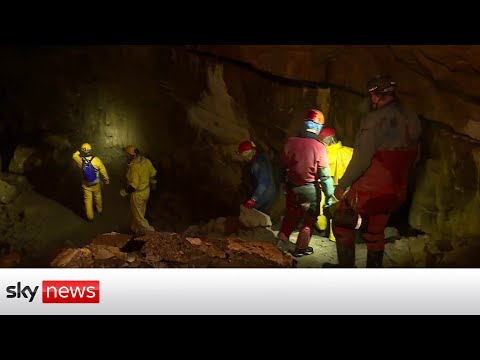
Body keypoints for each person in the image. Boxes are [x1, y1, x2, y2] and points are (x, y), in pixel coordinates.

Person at [330, 75, 421, 267]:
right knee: (375, 232)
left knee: (341, 223)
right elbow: (415, 157)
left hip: (371, 190)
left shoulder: (375, 120)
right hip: (397, 191)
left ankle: (345, 271)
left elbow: (361, 159)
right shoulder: (412, 117)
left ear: (375, 96)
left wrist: (342, 184)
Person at [276, 109, 334, 257]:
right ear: (318, 127)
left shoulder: (291, 142)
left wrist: (284, 182)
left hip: (293, 188)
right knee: (308, 221)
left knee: (290, 217)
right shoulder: (319, 147)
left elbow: (282, 165)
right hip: (310, 191)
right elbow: (325, 176)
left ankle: (279, 245)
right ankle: (301, 249)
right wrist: (329, 197)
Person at [316, 127, 353, 241]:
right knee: (340, 212)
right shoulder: (350, 152)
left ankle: (321, 223)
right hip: (347, 190)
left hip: (328, 191)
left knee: (321, 208)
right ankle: (334, 235)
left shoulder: (323, 156)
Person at [120, 145, 158, 235]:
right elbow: (153, 174)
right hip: (146, 191)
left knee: (139, 217)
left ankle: (152, 234)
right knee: (139, 212)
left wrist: (123, 192)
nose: (126, 157)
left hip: (138, 195)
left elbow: (133, 186)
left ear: (131, 155)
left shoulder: (135, 167)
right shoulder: (146, 161)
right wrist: (153, 184)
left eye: (126, 155)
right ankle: (136, 229)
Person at [72, 143, 110, 222]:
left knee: (88, 200)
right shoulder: (96, 160)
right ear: (90, 150)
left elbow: (74, 155)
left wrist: (79, 152)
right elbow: (103, 171)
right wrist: (106, 180)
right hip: (96, 183)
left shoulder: (80, 160)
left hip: (86, 184)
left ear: (83, 151)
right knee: (98, 197)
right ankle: (99, 210)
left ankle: (90, 217)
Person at [237, 140, 277, 214]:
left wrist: (253, 199)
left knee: (248, 214)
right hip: (270, 192)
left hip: (264, 195)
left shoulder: (257, 163)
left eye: (242, 154)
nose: (242, 157)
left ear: (247, 152)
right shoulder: (261, 157)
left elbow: (263, 183)